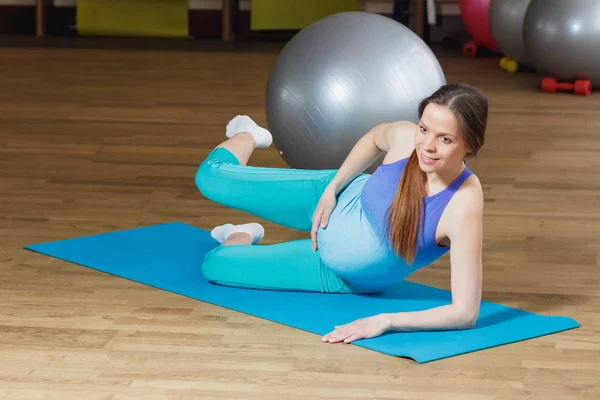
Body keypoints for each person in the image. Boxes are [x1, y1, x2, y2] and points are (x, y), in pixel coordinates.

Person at [195, 82, 488, 344]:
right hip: (329, 200)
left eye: (445, 139)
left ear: (470, 144)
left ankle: (241, 233)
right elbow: (374, 138)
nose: (427, 146)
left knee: (215, 265)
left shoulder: (463, 204)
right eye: (424, 129)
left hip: (338, 275)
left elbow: (465, 313)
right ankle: (248, 134)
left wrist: (387, 320)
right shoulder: (405, 139)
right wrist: (332, 188)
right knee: (210, 178)